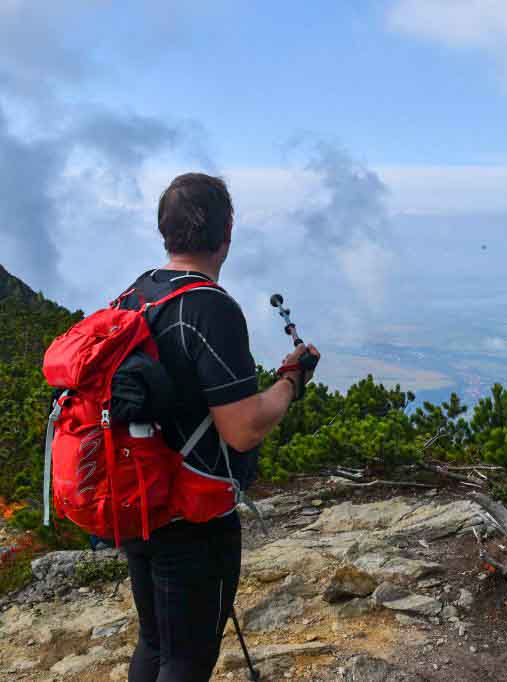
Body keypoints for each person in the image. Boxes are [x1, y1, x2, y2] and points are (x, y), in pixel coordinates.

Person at [113, 172, 320, 682]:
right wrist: (290, 382)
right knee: (186, 659)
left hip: (139, 496)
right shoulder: (209, 308)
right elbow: (243, 429)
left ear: (165, 230)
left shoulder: (135, 295)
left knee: (155, 643)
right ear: (228, 231)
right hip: (192, 513)